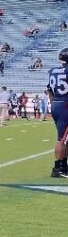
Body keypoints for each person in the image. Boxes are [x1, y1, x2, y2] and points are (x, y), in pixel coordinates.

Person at [47, 47, 68, 178]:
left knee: (65, 138)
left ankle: (64, 166)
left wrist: (53, 104)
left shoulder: (52, 71)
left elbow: (50, 90)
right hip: (65, 105)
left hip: (57, 104)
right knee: (61, 138)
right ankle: (58, 168)